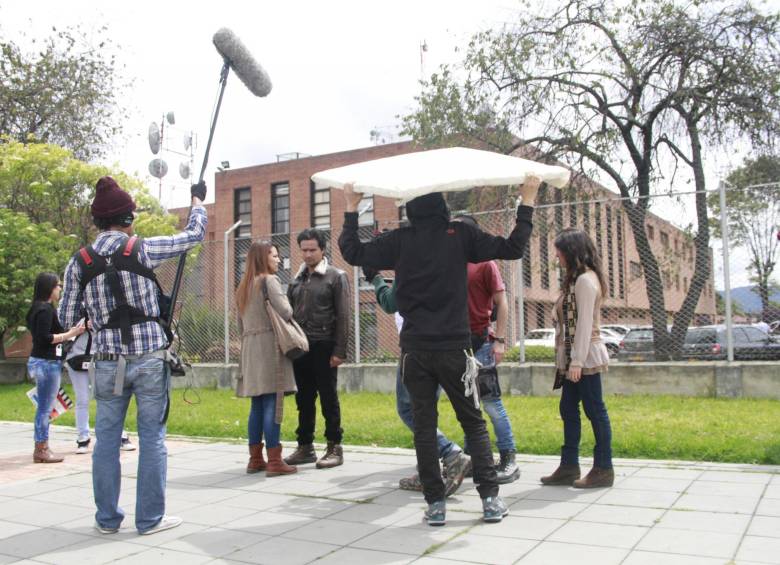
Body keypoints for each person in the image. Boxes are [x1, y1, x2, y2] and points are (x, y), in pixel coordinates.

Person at [339, 178, 539, 526]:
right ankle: (490, 500)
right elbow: (514, 247)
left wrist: (352, 206)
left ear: (410, 211)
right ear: (443, 209)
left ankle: (435, 505)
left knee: (424, 427)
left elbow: (353, 251)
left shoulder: (400, 241)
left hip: (415, 351)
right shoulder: (460, 236)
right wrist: (527, 201)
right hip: (454, 348)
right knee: (473, 423)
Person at [59, 176, 207, 535]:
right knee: (152, 437)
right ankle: (149, 519)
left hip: (107, 359)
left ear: (97, 221)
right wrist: (198, 203)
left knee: (107, 439)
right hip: (150, 356)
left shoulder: (79, 262)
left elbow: (65, 318)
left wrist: (95, 318)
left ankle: (107, 520)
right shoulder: (141, 249)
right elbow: (192, 236)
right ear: (127, 219)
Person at [365, 269, 470, 496]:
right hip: (444, 344)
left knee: (410, 410)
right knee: (426, 411)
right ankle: (428, 472)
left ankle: (449, 454)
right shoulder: (440, 261)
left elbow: (390, 302)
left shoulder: (411, 261)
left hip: (416, 349)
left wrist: (376, 279)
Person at [541, 228, 614, 489]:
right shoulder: (577, 280)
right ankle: (569, 466)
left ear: (571, 251)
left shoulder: (584, 281)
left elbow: (583, 324)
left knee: (595, 411)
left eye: (559, 250)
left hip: (584, 357)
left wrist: (577, 362)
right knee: (569, 410)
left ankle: (604, 468)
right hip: (575, 355)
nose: (556, 255)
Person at [452, 214, 520, 484]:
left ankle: (508, 456)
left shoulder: (485, 263)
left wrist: (500, 341)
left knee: (491, 403)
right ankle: (474, 455)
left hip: (480, 343)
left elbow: (502, 303)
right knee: (467, 404)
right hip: (453, 343)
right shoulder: (448, 262)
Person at [284, 228, 350, 469]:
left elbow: (343, 316)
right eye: (304, 250)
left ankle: (335, 447)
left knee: (328, 397)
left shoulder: (336, 276)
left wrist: (340, 350)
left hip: (325, 345)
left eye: (312, 249)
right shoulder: (296, 280)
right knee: (303, 399)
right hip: (300, 347)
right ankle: (305, 447)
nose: (308, 254)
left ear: (323, 250)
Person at [235, 241, 297, 477]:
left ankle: (255, 459)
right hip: (270, 345)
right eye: (274, 255)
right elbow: (286, 312)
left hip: (250, 347)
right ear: (264, 258)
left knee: (257, 404)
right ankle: (274, 460)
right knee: (273, 400)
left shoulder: (244, 284)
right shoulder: (269, 281)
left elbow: (239, 323)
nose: (278, 259)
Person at [27, 272, 86, 463]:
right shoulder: (45, 310)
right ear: (49, 287)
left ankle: (41, 447)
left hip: (41, 361)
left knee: (44, 407)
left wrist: (73, 331)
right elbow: (45, 338)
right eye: (58, 285)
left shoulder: (37, 308)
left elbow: (54, 332)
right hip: (47, 363)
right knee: (45, 408)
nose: (60, 289)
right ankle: (41, 449)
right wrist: (70, 334)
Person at [65, 326, 136, 454]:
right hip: (76, 357)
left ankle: (120, 435)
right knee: (82, 399)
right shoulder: (73, 306)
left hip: (103, 357)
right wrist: (82, 324)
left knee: (109, 398)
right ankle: (83, 438)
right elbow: (64, 323)